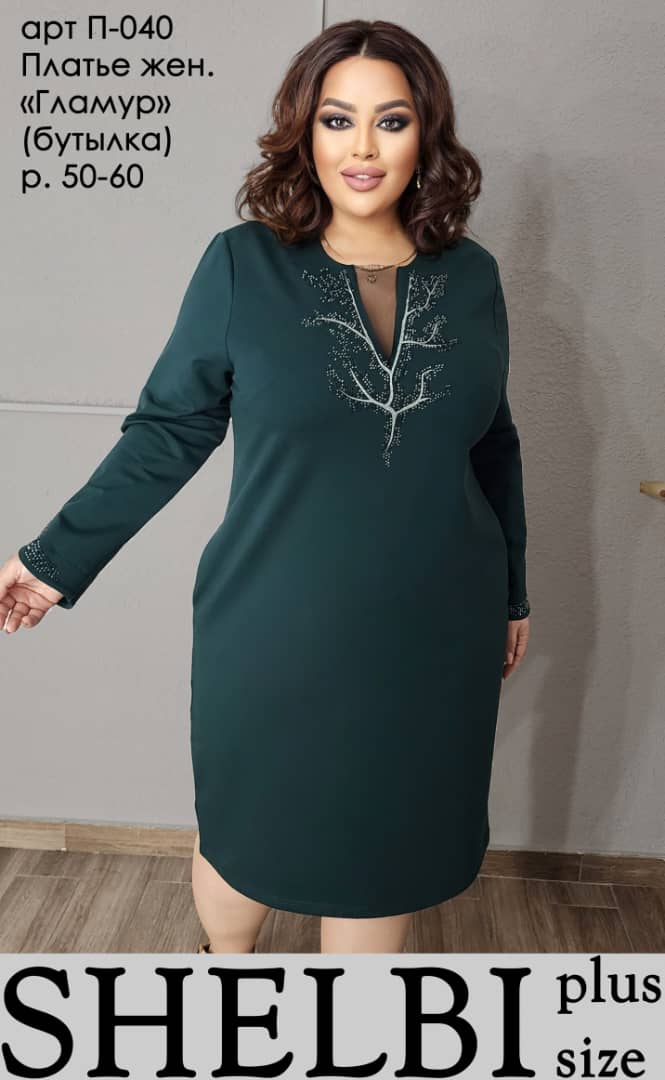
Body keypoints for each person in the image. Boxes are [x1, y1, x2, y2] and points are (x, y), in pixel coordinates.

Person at [0, 19, 531, 954]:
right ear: (304, 133)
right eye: (337, 119)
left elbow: (492, 442)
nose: (362, 147)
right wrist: (52, 561)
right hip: (274, 625)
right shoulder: (244, 264)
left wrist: (513, 593)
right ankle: (227, 972)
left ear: (426, 135)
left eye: (391, 120)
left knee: (384, 852)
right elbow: (170, 429)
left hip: (435, 630)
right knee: (249, 828)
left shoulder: (473, 278)